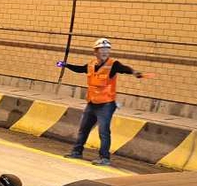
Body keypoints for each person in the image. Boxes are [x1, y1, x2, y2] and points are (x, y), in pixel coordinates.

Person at [59, 38, 144, 166]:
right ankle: (77, 152)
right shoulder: (91, 65)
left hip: (106, 105)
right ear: (95, 51)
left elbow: (123, 68)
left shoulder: (113, 64)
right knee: (83, 129)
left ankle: (105, 158)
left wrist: (133, 72)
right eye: (102, 50)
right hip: (92, 103)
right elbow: (80, 69)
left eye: (107, 50)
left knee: (103, 131)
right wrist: (66, 65)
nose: (105, 52)